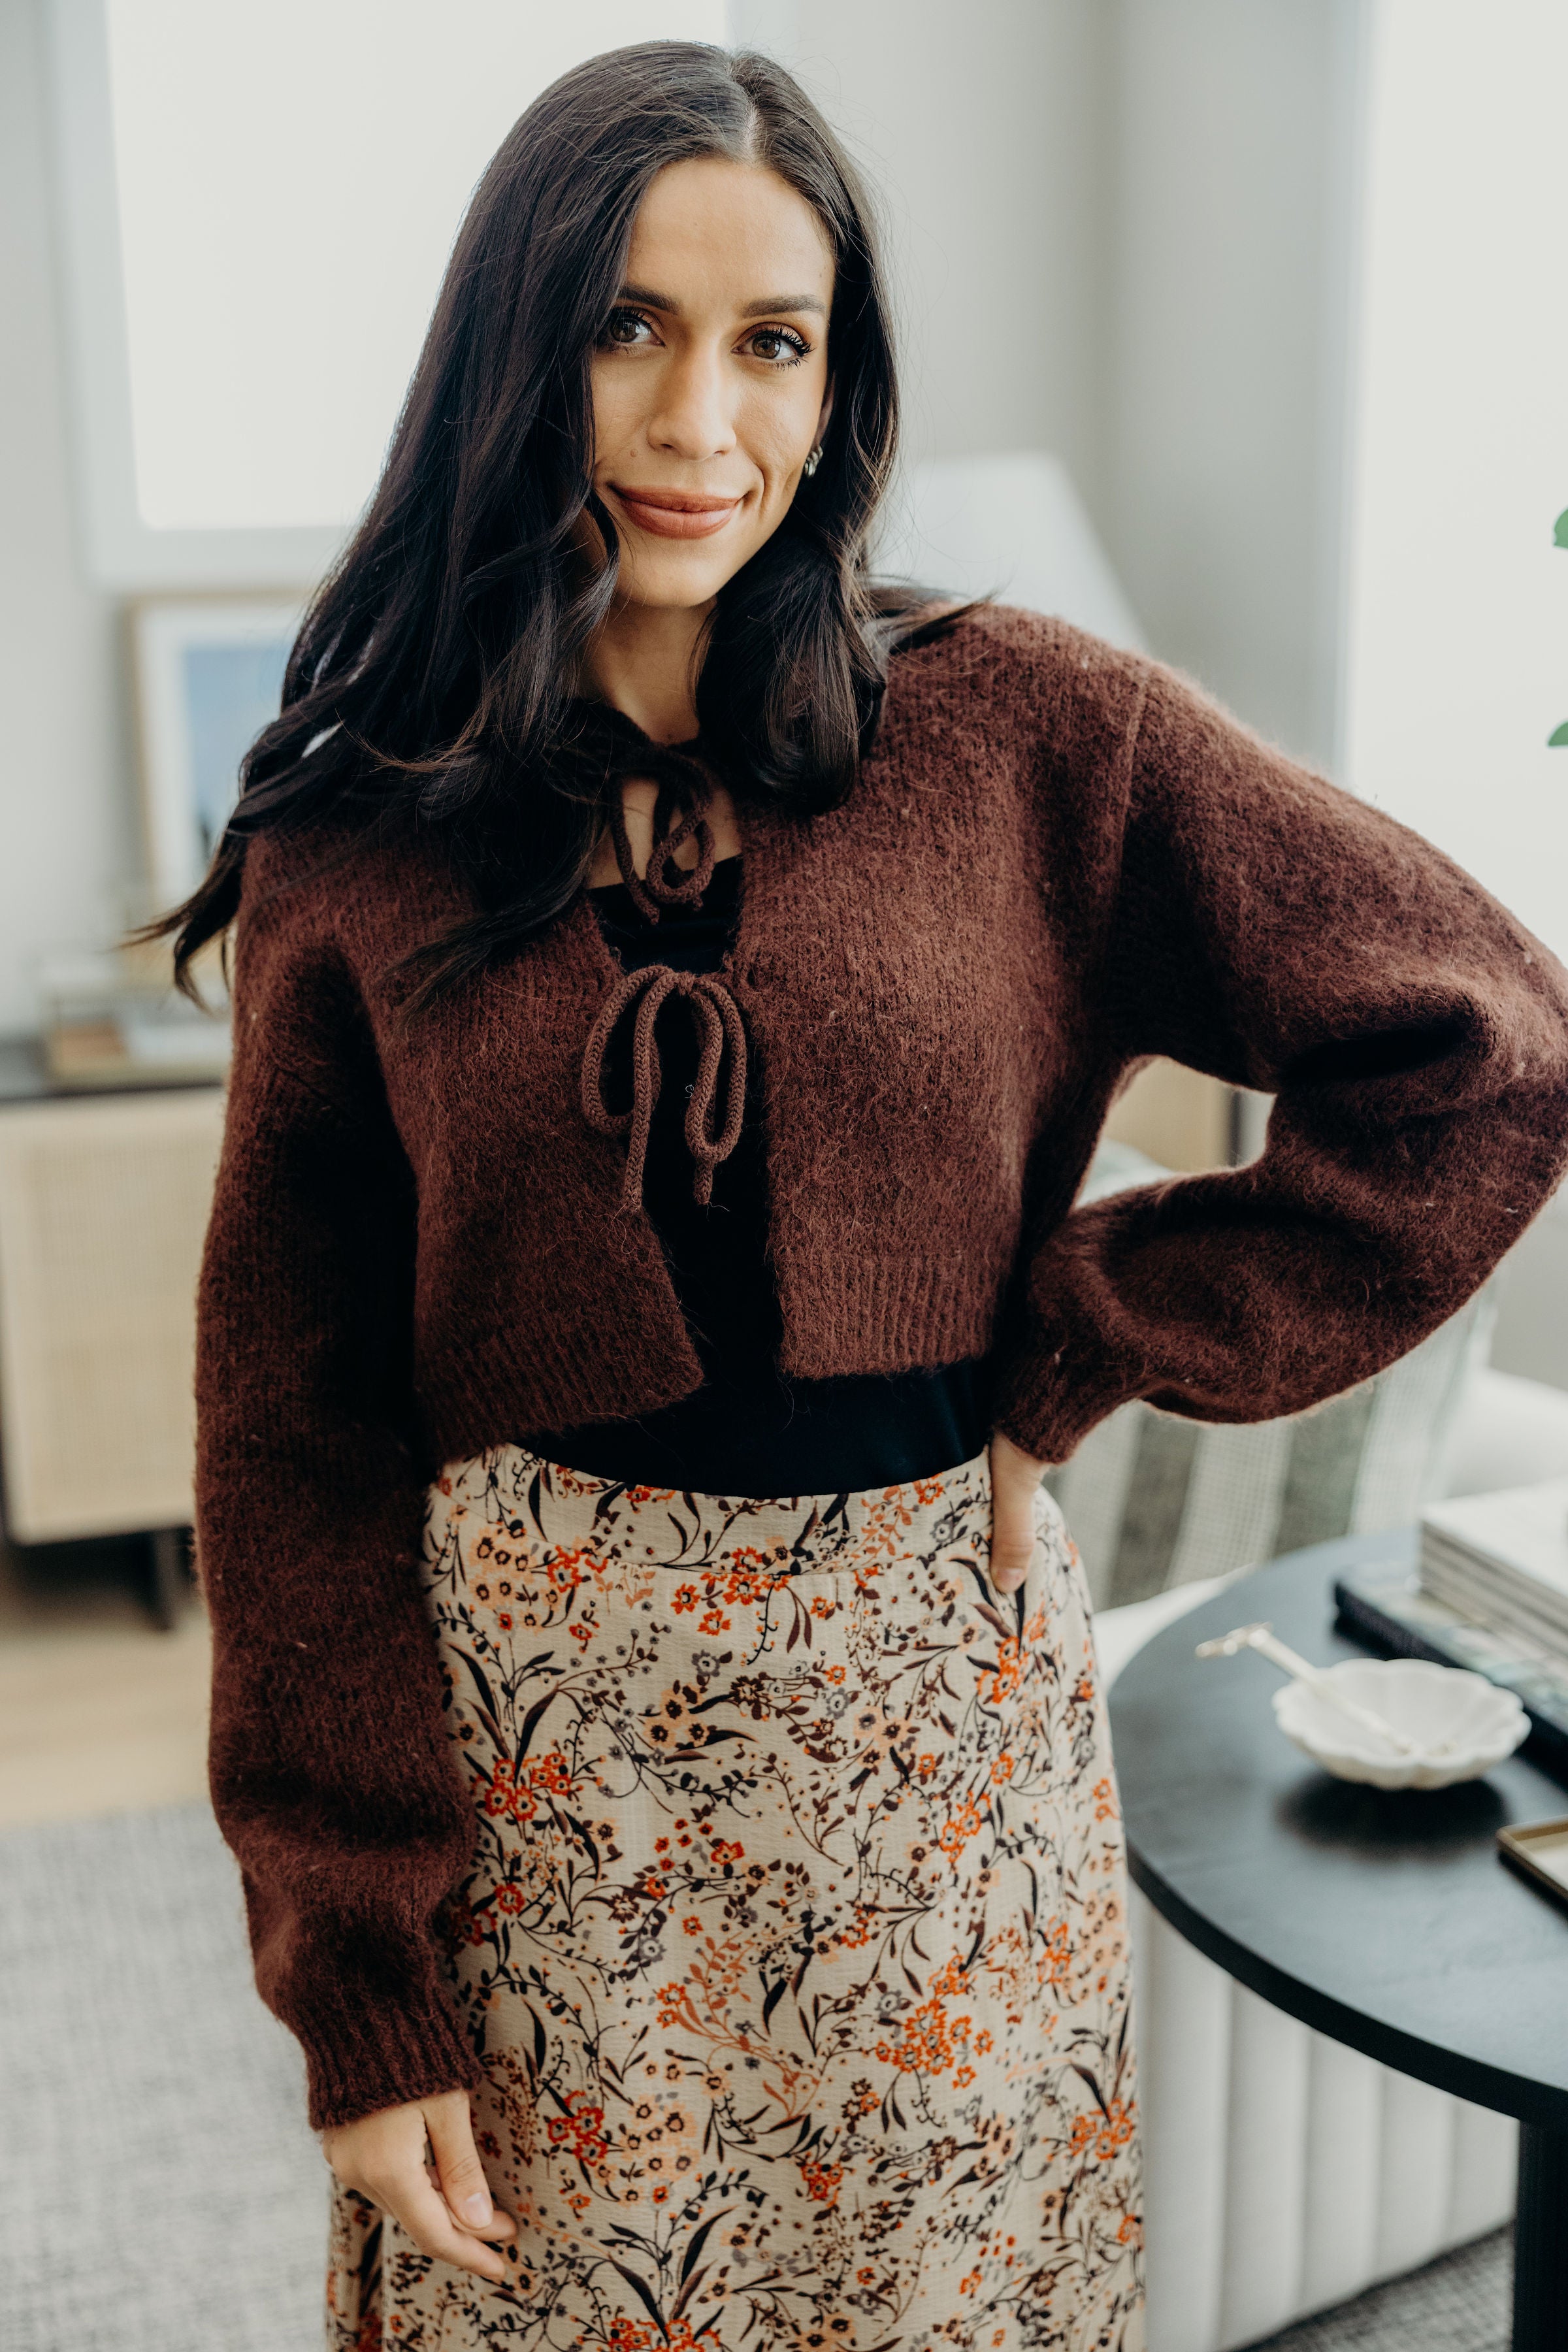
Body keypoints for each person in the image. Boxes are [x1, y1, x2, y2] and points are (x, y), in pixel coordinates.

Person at [155, 40, 1568, 2352]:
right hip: (543, 1791)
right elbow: (287, 1428)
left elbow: (1486, 1041)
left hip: (936, 1763)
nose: (696, 417)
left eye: (772, 341)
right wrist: (357, 1973)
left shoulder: (1033, 735)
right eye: (628, 326)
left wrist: (1104, 1323)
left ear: (837, 386)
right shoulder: (362, 834)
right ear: (514, 350)